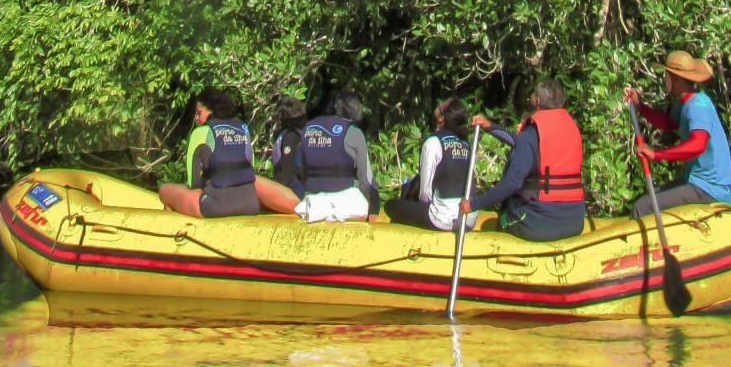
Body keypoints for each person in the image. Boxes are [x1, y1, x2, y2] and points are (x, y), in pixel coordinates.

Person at [459, 77, 586, 242]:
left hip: (542, 223)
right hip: (575, 221)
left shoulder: (532, 131)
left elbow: (513, 181)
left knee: (505, 213)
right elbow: (524, 145)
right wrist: (490, 127)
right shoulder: (571, 125)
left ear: (536, 100)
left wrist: (473, 204)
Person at [623, 50, 731, 218]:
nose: (664, 79)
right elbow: (668, 123)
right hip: (696, 181)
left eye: (666, 75)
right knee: (647, 198)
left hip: (709, 188)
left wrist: (656, 154)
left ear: (675, 78)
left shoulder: (697, 106)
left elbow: (698, 144)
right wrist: (641, 107)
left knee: (643, 207)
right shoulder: (685, 103)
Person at [384, 96, 514, 232]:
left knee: (391, 206)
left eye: (441, 106)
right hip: (469, 219)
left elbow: (425, 194)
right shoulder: (466, 144)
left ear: (442, 118)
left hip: (443, 218)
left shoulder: (433, 142)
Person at [256, 88, 381, 222]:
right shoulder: (353, 131)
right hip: (346, 205)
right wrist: (374, 206)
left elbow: (301, 171)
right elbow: (366, 180)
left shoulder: (307, 129)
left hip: (312, 204)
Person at [159, 87, 260, 218]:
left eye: (199, 112)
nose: (196, 118)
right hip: (251, 204)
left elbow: (193, 183)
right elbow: (249, 167)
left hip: (217, 207)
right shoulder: (243, 127)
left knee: (164, 190)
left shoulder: (201, 132)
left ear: (210, 111)